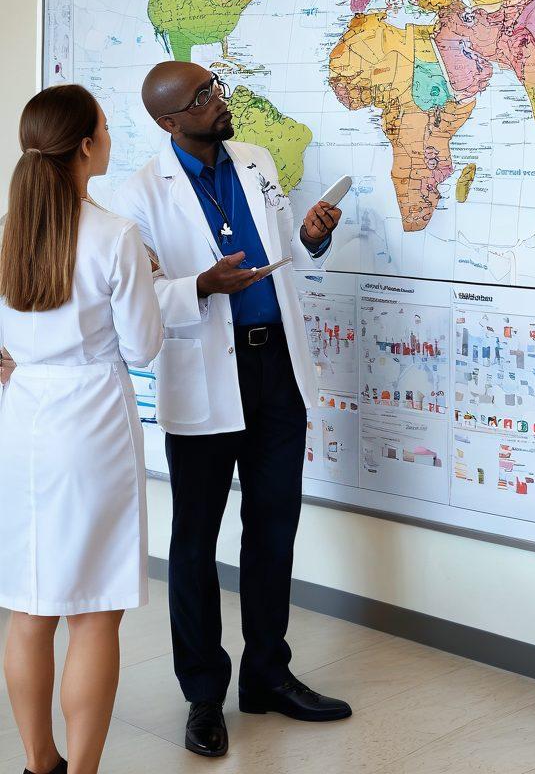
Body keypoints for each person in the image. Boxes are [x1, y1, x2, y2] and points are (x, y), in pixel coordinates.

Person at [113, 62, 350, 760]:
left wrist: (310, 237)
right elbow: (139, 305)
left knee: (274, 528)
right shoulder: (136, 198)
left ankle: (268, 675)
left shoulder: (254, 160)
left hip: (274, 364)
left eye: (215, 87)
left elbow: (286, 258)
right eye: (203, 98)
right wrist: (200, 286)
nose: (220, 101)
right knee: (193, 544)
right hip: (203, 373)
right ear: (169, 122)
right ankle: (203, 695)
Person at [0, 84, 163, 774]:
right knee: (95, 612)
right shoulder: (116, 236)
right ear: (88, 146)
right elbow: (145, 347)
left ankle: (40, 763)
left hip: (24, 420)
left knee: (30, 605)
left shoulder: (9, 229)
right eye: (105, 126)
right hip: (93, 424)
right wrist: (149, 279)